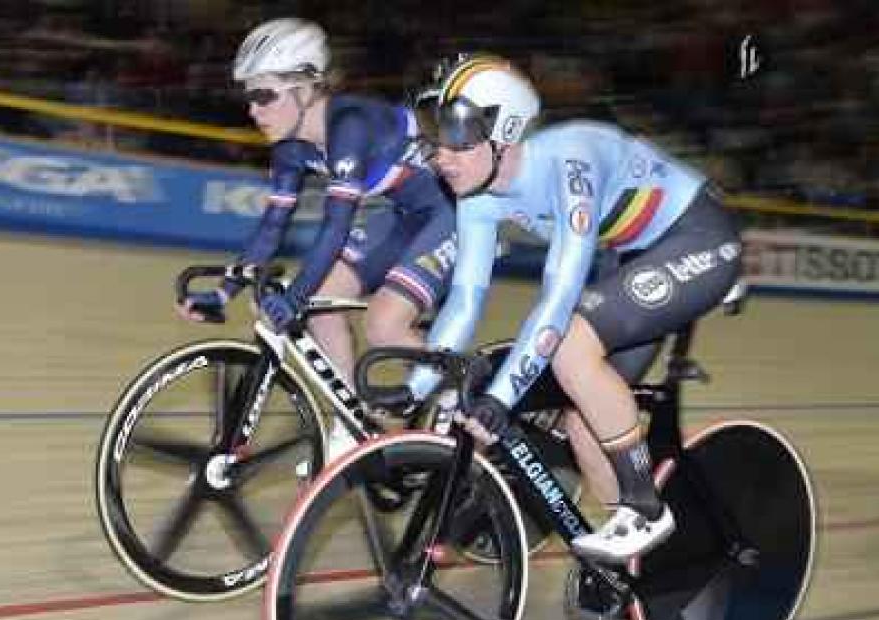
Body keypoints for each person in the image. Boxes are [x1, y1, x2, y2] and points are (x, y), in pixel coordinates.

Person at [406, 54, 743, 563]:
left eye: (457, 133)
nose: (441, 155)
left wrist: (501, 396)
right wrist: (412, 388)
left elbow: (559, 295)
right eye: (435, 135)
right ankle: (634, 556)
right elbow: (466, 298)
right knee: (585, 421)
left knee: (571, 349)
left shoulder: (569, 159)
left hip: (698, 237)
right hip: (635, 256)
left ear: (505, 130)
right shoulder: (476, 195)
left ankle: (648, 508)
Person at [179, 19, 457, 435]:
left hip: (452, 213)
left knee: (383, 326)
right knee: (321, 305)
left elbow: (336, 229)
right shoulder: (290, 149)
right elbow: (273, 227)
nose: (253, 110)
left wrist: (294, 297)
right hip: (402, 215)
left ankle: (465, 402)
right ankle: (353, 428)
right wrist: (225, 291)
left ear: (305, 88)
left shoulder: (349, 126)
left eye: (263, 95)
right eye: (249, 97)